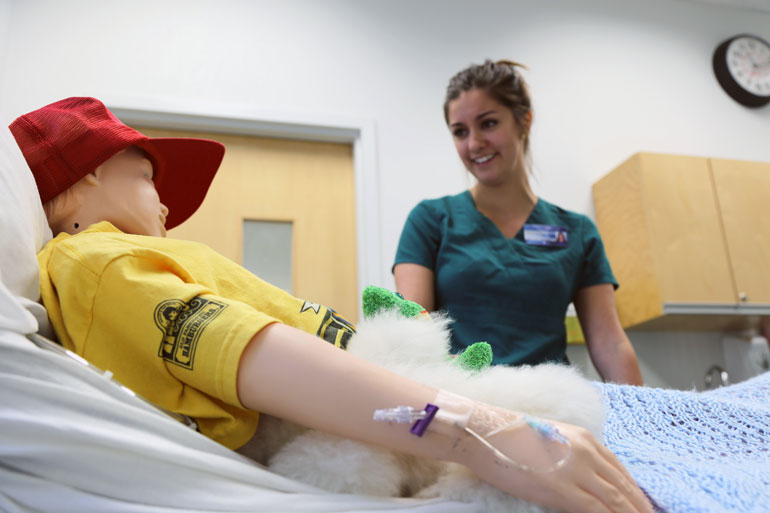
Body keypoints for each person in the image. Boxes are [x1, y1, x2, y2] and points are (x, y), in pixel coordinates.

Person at [10, 96, 651, 513]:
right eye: (148, 176)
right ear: (86, 175)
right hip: (348, 428)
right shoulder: (91, 260)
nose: (166, 205)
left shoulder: (112, 262)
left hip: (385, 410)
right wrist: (487, 435)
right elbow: (245, 353)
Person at [394, 60, 642, 385]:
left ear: (524, 120)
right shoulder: (431, 220)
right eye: (460, 132)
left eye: (489, 123)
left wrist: (647, 422)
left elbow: (610, 343)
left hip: (555, 406)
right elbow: (414, 334)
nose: (474, 143)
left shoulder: (578, 232)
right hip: (466, 404)